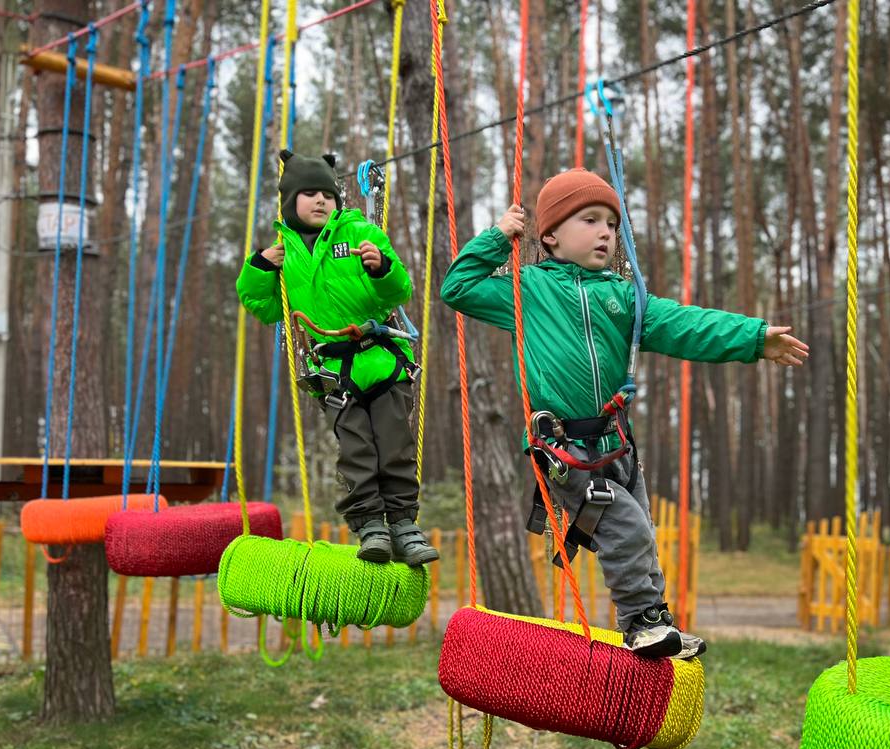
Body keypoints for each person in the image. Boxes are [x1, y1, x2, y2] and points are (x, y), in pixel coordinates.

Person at [440, 168, 807, 658]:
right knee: (625, 528)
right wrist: (496, 237)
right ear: (549, 234)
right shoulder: (526, 291)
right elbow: (457, 288)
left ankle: (656, 622)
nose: (605, 233)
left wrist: (753, 338)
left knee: (641, 532)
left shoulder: (624, 298)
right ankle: (641, 621)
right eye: (590, 220)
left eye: (612, 225)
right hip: (564, 448)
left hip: (616, 446)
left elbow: (684, 325)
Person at [236, 150, 438, 566]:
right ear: (290, 201)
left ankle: (403, 523)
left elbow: (398, 291)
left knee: (395, 444)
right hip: (333, 371)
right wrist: (258, 267)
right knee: (356, 449)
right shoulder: (282, 253)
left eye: (327, 194)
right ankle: (370, 526)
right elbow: (265, 308)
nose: (320, 201)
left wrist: (381, 267)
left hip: (381, 361)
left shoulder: (359, 231)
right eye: (309, 194)